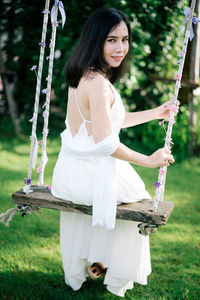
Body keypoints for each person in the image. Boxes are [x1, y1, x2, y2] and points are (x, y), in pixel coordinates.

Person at [51, 7, 177, 297]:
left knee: (128, 190)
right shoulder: (99, 84)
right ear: (96, 40)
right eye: (111, 40)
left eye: (125, 39)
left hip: (69, 174)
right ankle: (111, 266)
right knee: (138, 193)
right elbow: (106, 143)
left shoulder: (83, 73)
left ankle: (95, 259)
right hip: (85, 176)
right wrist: (148, 160)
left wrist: (156, 112)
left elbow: (107, 123)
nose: (120, 48)